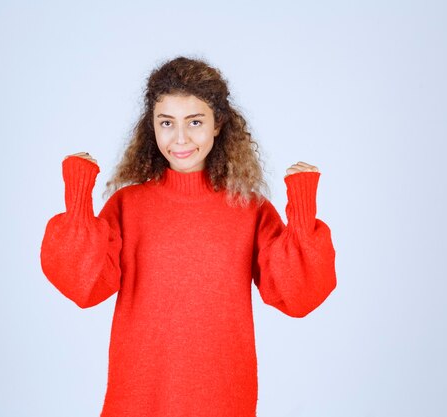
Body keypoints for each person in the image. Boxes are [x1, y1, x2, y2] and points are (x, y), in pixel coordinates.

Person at [40, 55, 337, 417]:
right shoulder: (128, 205)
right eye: (167, 122)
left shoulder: (248, 208)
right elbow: (83, 285)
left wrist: (302, 204)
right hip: (139, 396)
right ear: (152, 126)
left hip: (223, 396)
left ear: (217, 124)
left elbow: (298, 294)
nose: (180, 137)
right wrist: (77, 190)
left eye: (195, 122)